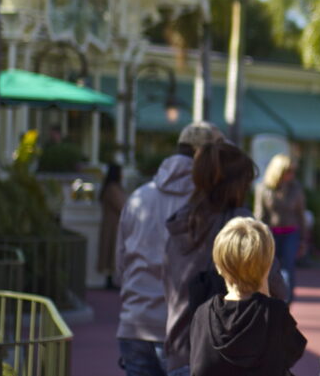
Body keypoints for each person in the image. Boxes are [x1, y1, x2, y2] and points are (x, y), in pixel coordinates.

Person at [165, 140, 288, 376]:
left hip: (180, 349)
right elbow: (277, 290)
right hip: (231, 355)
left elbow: (168, 288)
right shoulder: (243, 228)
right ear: (238, 184)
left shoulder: (180, 222)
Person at [115, 121, 221, 376]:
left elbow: (120, 264)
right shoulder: (209, 203)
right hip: (184, 330)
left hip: (135, 322)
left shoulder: (139, 196)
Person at [190, 216, 307, 376]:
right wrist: (265, 293)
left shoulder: (203, 314)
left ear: (218, 266)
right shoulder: (275, 314)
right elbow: (292, 354)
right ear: (268, 266)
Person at [255, 152, 306, 304]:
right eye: (288, 171)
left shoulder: (295, 188)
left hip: (291, 232)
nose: (291, 175)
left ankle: (286, 302)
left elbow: (300, 213)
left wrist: (303, 239)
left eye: (292, 171)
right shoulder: (263, 187)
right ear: (279, 171)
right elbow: (259, 214)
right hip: (271, 233)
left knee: (288, 270)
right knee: (269, 269)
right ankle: (270, 300)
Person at [98, 163, 127, 290]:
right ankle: (110, 281)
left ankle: (111, 280)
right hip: (112, 226)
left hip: (112, 225)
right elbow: (121, 206)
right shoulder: (112, 188)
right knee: (111, 252)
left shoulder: (111, 187)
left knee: (112, 252)